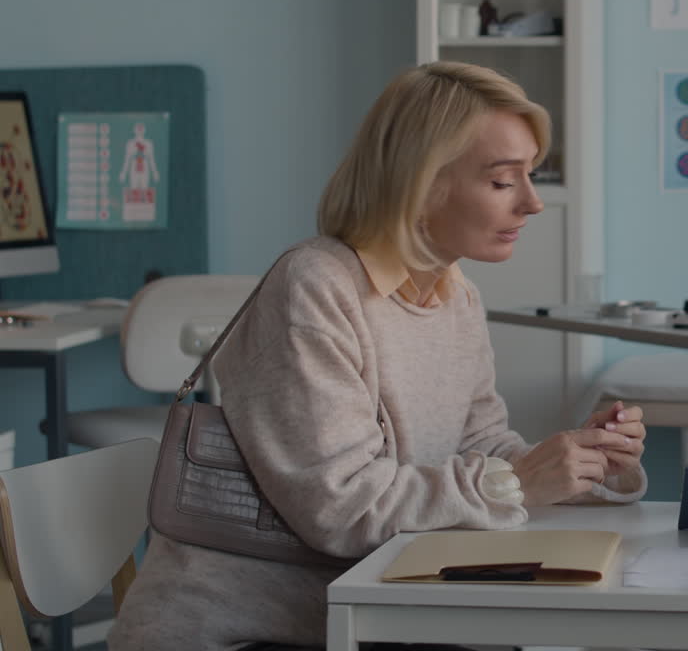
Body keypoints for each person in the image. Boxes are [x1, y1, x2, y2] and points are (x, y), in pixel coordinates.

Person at [111, 61, 648, 650]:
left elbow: (481, 445)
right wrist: (515, 482)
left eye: (531, 176)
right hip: (247, 634)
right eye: (502, 181)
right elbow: (340, 508)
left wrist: (585, 467)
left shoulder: (454, 293)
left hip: (383, 611)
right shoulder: (315, 285)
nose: (532, 203)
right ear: (421, 184)